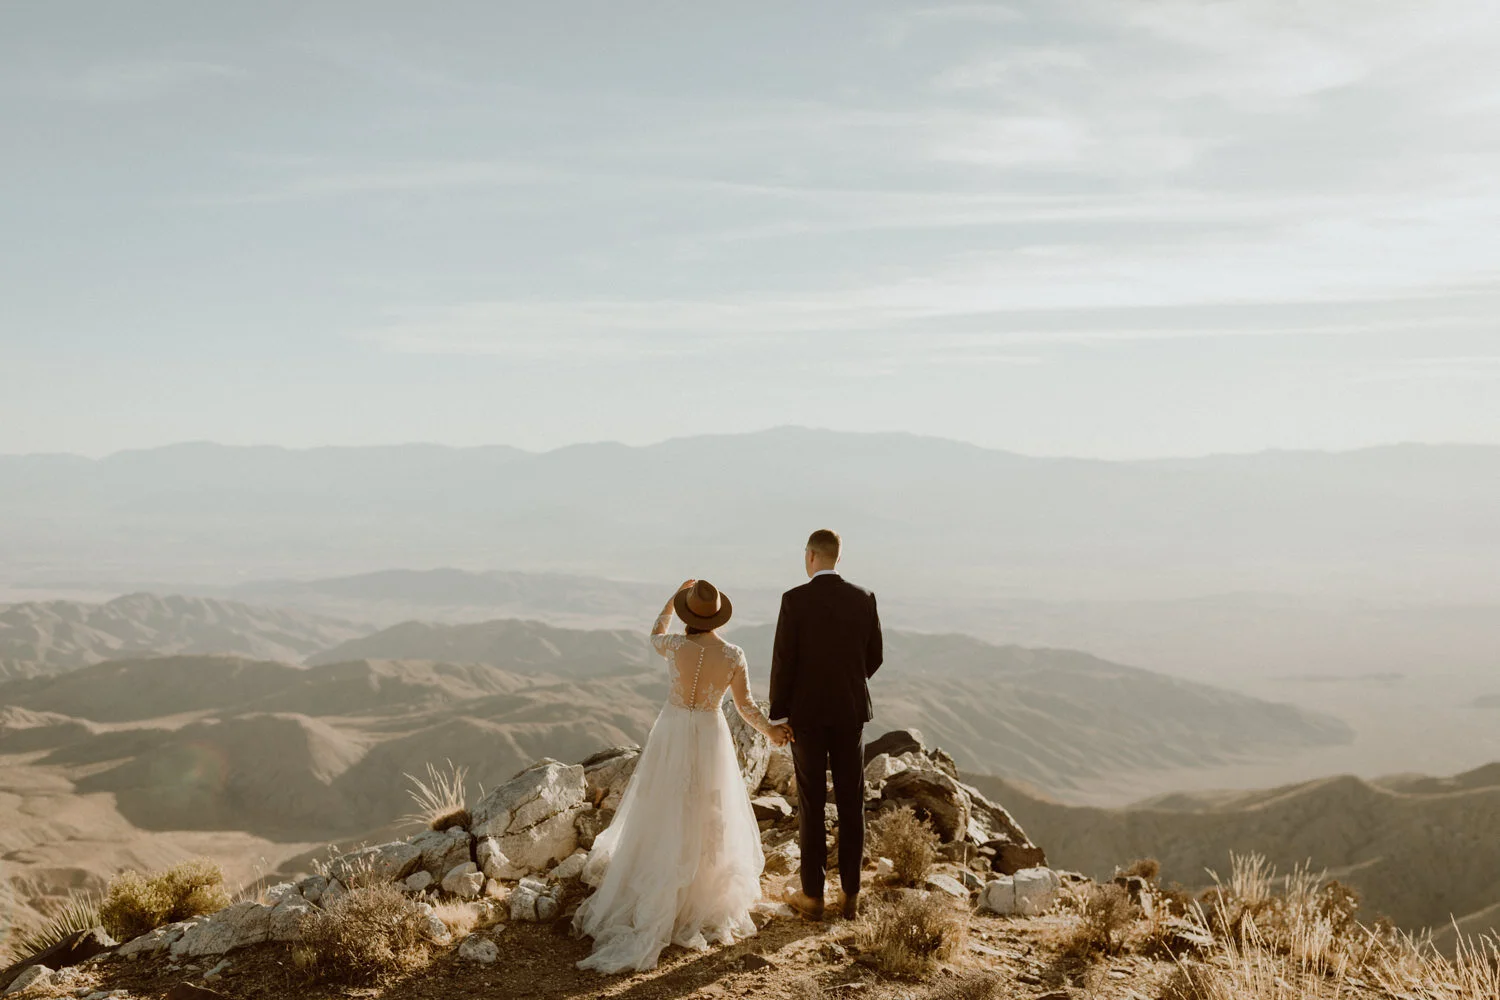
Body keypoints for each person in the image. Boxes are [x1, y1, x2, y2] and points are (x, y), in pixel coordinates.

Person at [573, 579, 791, 973]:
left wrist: (671, 602)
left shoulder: (674, 646)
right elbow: (745, 707)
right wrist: (771, 731)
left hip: (672, 731)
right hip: (710, 734)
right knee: (707, 807)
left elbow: (655, 632)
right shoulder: (732, 654)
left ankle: (657, 874)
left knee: (663, 801)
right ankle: (698, 890)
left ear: (689, 615)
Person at [770, 529, 883, 921]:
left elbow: (784, 661)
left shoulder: (794, 600)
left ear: (811, 556)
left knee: (812, 803)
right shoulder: (863, 598)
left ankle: (813, 897)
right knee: (852, 802)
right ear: (838, 556)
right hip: (850, 713)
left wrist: (779, 715)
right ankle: (851, 895)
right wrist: (850, 682)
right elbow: (875, 656)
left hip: (807, 716)